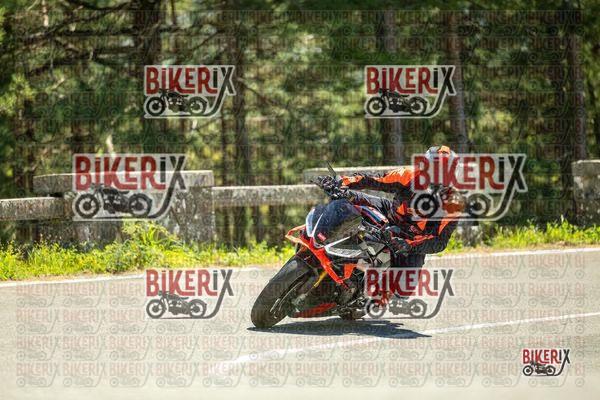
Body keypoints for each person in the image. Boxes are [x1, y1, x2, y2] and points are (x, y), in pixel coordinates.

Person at [316, 145, 462, 271]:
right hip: (390, 214)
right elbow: (374, 180)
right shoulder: (408, 174)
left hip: (412, 240)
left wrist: (409, 245)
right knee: (347, 197)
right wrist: (341, 183)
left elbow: (439, 241)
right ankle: (319, 242)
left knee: (403, 287)